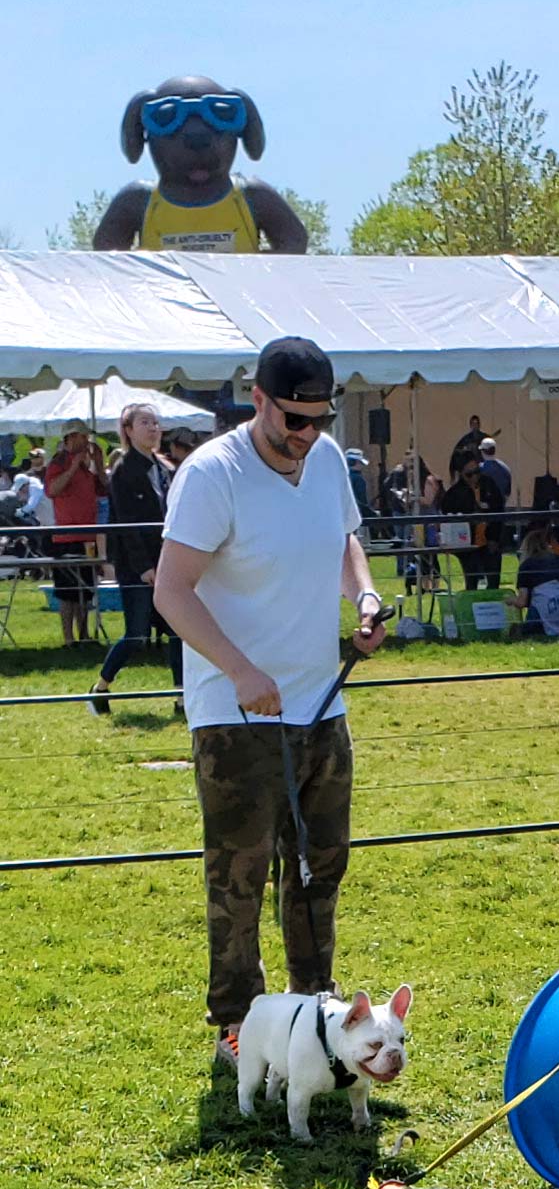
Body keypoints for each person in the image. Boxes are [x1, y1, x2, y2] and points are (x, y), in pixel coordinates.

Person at [151, 336, 387, 1067]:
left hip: (321, 704)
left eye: (319, 418)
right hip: (236, 715)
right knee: (241, 875)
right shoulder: (211, 474)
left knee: (321, 865)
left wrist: (366, 596)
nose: (308, 434)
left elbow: (347, 540)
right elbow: (169, 590)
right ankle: (237, 1022)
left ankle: (317, 1004)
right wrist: (239, 669)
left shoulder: (324, 462)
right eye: (294, 418)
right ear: (257, 399)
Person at [89, 403, 183, 717]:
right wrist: (144, 567)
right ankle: (100, 687)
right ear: (128, 430)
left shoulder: (166, 468)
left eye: (156, 422)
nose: (154, 428)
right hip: (138, 568)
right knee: (137, 634)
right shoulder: (123, 471)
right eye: (145, 422)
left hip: (167, 562)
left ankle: (182, 698)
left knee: (178, 631)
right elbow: (126, 525)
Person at [46, 421, 108, 648]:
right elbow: (53, 490)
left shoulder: (87, 470)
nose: (86, 443)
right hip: (65, 538)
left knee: (86, 590)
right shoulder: (58, 463)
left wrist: (99, 466)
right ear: (70, 439)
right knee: (67, 592)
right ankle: (68, 637)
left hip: (88, 537)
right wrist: (73, 466)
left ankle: (83, 634)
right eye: (82, 437)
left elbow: (105, 490)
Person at [438, 454, 505, 590]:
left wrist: (494, 539)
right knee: (472, 580)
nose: (475, 477)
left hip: (490, 539)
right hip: (467, 543)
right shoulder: (454, 493)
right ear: (460, 474)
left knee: (493, 580)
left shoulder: (489, 484)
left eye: (477, 472)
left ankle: (491, 606)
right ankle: (473, 606)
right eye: (469, 474)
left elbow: (499, 511)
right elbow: (447, 513)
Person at [511, 525, 559, 635]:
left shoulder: (527, 566)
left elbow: (522, 602)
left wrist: (509, 600)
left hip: (548, 608)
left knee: (526, 625)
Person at [476, 436, 512, 505]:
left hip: (484, 511)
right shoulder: (505, 468)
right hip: (501, 508)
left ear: (482, 451)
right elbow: (507, 493)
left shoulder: (479, 469)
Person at [343, 448, 372, 517]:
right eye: (360, 462)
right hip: (357, 516)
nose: (362, 466)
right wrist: (372, 514)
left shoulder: (341, 477)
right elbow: (361, 501)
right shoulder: (358, 479)